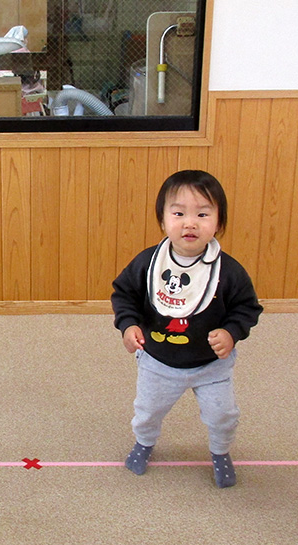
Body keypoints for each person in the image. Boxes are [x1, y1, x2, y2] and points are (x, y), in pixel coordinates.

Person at [111, 169, 262, 488]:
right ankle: (144, 443)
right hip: (158, 361)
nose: (190, 223)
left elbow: (247, 307)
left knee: (223, 416)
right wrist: (128, 325)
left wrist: (232, 332)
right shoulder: (149, 263)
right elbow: (124, 294)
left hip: (211, 365)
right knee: (147, 412)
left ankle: (220, 451)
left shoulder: (229, 271)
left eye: (203, 214)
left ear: (219, 223)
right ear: (163, 221)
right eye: (179, 213)